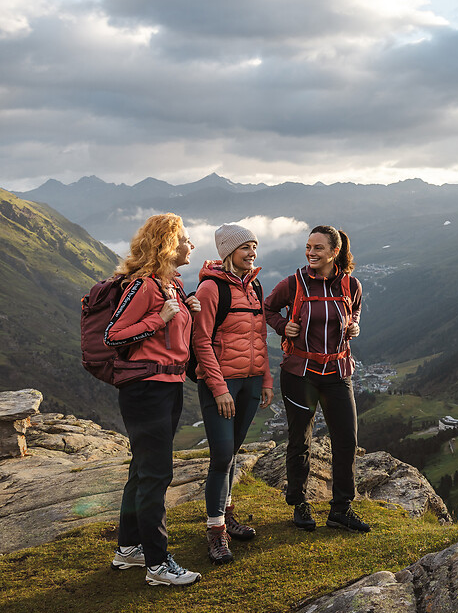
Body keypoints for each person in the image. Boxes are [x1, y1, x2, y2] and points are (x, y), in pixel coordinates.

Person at [105, 213, 202, 586]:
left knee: (143, 469)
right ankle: (159, 565)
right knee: (157, 473)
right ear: (167, 245)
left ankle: (129, 548)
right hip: (146, 389)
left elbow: (174, 341)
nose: (190, 246)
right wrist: (159, 319)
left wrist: (186, 311)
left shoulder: (171, 286)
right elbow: (114, 335)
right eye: (185, 240)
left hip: (167, 386)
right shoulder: (143, 286)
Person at [264, 225, 370, 533]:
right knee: (301, 440)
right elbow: (267, 309)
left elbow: (356, 313)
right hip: (300, 373)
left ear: (334, 252)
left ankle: (341, 509)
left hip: (338, 372)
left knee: (347, 440)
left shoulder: (351, 284)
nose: (311, 252)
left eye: (318, 248)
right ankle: (299, 503)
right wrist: (283, 326)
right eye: (308, 247)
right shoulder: (293, 283)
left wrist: (355, 327)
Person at [193, 223, 273, 564]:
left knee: (234, 451)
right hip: (223, 385)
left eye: (254, 246)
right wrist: (219, 389)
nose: (252, 253)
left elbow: (260, 339)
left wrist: (267, 379)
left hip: (252, 383)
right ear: (228, 253)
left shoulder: (254, 286)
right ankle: (216, 532)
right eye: (245, 248)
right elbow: (201, 342)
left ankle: (226, 514)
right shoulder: (211, 288)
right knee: (222, 456)